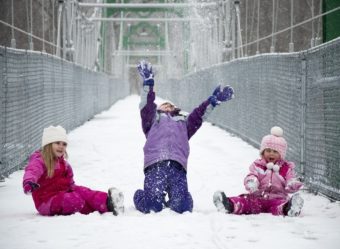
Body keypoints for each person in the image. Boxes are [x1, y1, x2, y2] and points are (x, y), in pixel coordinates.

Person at [133, 60, 235, 214]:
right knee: (152, 206)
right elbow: (147, 103)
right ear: (158, 109)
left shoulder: (183, 123)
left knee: (182, 207)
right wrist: (148, 83)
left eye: (171, 106)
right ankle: (141, 196)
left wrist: (212, 102)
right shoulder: (152, 120)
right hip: (156, 164)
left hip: (177, 166)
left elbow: (199, 115)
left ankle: (179, 199)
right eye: (164, 105)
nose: (168, 107)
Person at [22, 125, 124, 216]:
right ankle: (98, 208)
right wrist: (29, 183)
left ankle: (108, 202)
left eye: (64, 144)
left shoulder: (65, 165)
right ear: (48, 144)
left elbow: (71, 185)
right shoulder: (40, 160)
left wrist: (79, 192)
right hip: (46, 201)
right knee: (74, 200)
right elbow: (32, 170)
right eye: (57, 143)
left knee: (84, 192)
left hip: (62, 193)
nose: (61, 146)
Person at [213, 126, 304, 217]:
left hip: (277, 198)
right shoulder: (258, 165)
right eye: (268, 150)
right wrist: (251, 182)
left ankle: (289, 208)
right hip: (257, 198)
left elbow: (290, 180)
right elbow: (252, 175)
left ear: (281, 154)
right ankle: (229, 204)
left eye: (275, 152)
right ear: (263, 152)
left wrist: (293, 184)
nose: (271, 153)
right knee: (245, 201)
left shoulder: (286, 168)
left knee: (279, 206)